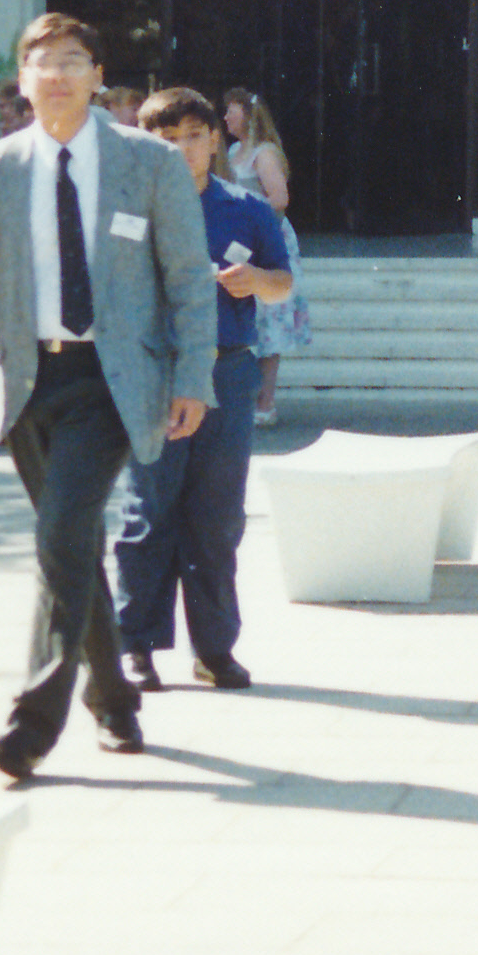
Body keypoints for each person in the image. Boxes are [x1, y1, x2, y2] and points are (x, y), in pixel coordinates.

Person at [0, 13, 214, 783]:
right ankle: (114, 697)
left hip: (111, 381)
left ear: (97, 75)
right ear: (22, 80)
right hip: (25, 383)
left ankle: (31, 725)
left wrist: (192, 379)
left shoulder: (148, 162)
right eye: (42, 63)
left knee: (62, 531)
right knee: (68, 546)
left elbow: (187, 277)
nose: (57, 75)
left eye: (73, 60)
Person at [109, 86, 293, 693]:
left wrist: (256, 281)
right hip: (156, 370)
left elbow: (283, 284)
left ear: (215, 139)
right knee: (148, 509)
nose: (183, 149)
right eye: (167, 139)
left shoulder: (245, 208)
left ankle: (214, 649)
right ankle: (133, 644)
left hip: (226, 370)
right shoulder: (131, 206)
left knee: (217, 517)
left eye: (194, 135)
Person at [223, 89, 306, 426]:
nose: (226, 117)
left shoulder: (264, 153)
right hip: (240, 242)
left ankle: (265, 402)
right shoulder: (231, 151)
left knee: (270, 321)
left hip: (266, 240)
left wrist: (245, 211)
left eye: (231, 111)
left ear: (248, 114)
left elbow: (280, 197)